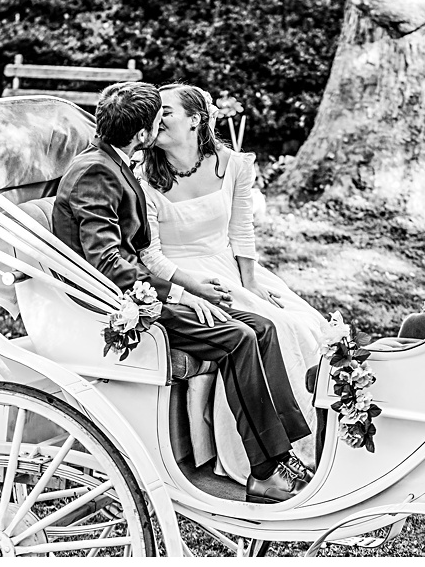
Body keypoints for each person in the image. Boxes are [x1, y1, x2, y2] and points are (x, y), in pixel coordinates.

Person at [51, 82, 314, 503]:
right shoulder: (97, 172)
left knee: (262, 327)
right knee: (239, 338)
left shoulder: (114, 162)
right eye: (158, 120)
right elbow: (108, 263)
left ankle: (285, 451)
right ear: (142, 135)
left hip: (147, 293)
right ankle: (265, 471)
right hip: (120, 304)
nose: (162, 125)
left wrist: (181, 290)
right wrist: (177, 294)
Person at [140, 83, 329, 485]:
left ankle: (317, 442)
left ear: (196, 120)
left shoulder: (233, 165)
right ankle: (268, 458)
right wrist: (190, 288)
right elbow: (150, 254)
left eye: (166, 111)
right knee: (271, 330)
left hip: (228, 265)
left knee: (307, 322)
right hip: (182, 274)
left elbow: (241, 230)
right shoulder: (144, 176)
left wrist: (250, 282)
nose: (156, 118)